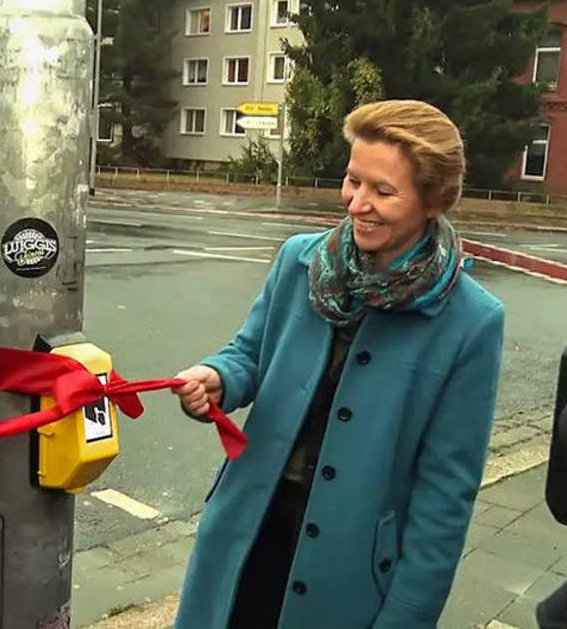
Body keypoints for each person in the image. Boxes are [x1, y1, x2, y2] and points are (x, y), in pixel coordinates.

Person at [172, 100, 504, 629]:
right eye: (353, 181)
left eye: (383, 191)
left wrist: (408, 616)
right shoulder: (299, 260)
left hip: (350, 571)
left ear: (433, 200)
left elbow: (446, 495)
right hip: (247, 532)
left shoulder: (470, 321)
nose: (357, 204)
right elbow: (250, 354)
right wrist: (219, 378)